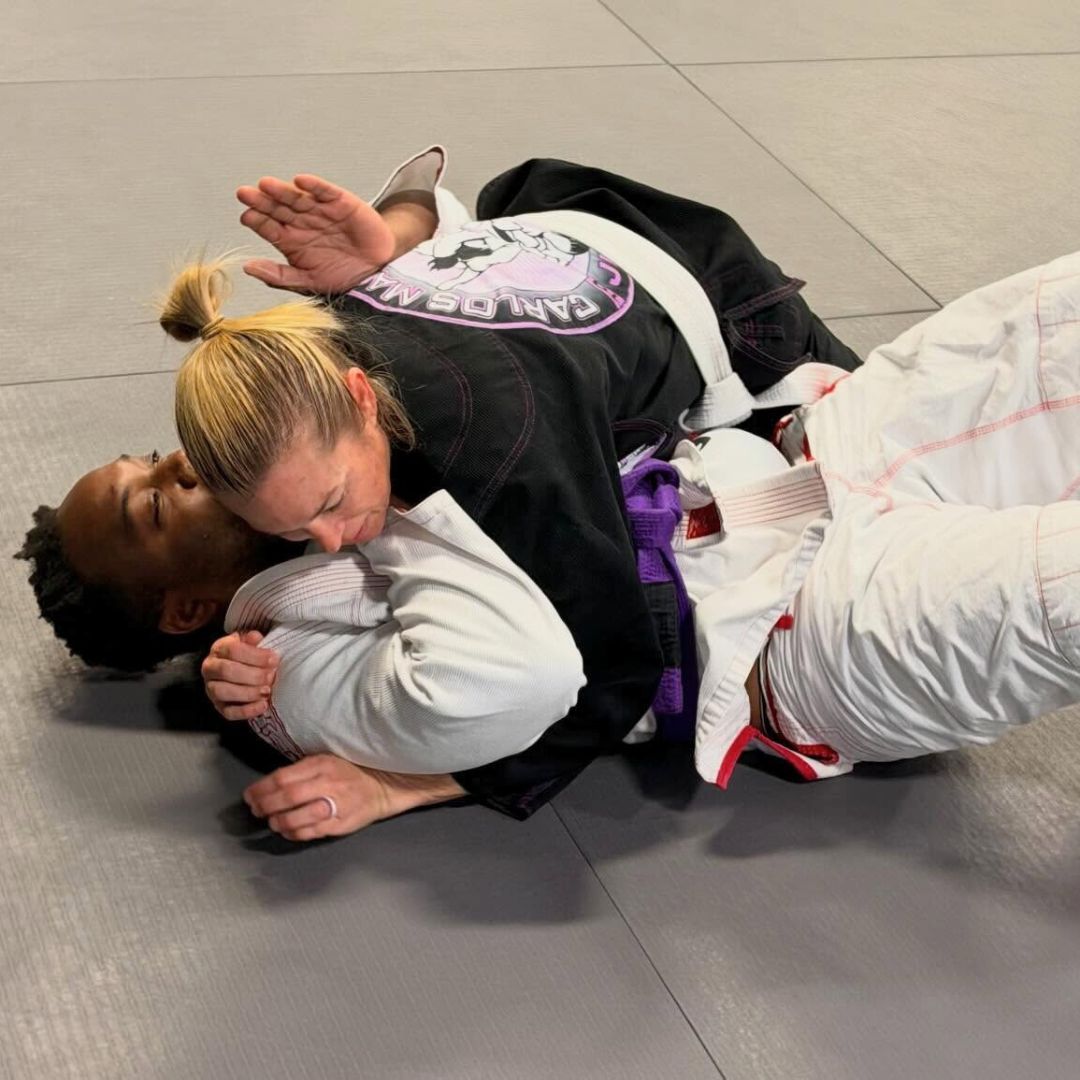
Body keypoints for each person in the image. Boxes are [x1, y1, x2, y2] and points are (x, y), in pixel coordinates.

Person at [167, 145, 862, 824]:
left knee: (898, 457)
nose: (329, 541)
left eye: (330, 505)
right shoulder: (314, 345)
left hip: (714, 288)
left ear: (362, 400)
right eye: (291, 533)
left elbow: (618, 669)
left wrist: (406, 787)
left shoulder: (507, 460)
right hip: (555, 214)